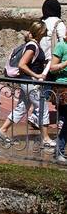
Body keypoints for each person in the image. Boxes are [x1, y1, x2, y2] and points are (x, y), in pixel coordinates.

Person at [0, 21, 48, 147]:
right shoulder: (32, 46)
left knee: (22, 107)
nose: (47, 32)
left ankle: (2, 130)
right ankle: (46, 138)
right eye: (45, 30)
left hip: (27, 82)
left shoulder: (33, 44)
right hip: (30, 82)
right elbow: (22, 64)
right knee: (43, 107)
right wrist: (37, 76)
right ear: (41, 32)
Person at [36, 0, 66, 143]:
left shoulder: (41, 22)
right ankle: (43, 120)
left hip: (40, 61)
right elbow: (62, 44)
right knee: (57, 94)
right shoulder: (58, 23)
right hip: (53, 63)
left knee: (42, 93)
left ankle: (37, 117)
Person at [47, 29, 67, 164]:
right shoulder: (61, 46)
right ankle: (59, 151)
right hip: (63, 87)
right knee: (66, 121)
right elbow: (52, 67)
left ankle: (60, 151)